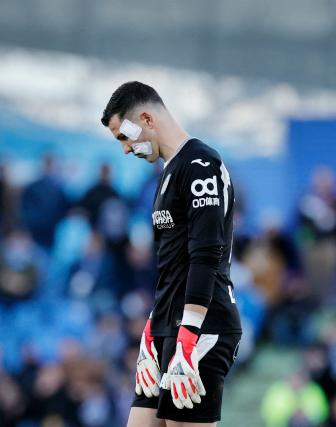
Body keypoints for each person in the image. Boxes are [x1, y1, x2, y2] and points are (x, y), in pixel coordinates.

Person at [100, 81, 242, 427]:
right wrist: (150, 335)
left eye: (124, 136)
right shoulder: (166, 175)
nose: (124, 149)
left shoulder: (201, 164)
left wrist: (188, 340)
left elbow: (206, 257)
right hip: (167, 327)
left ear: (146, 118)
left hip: (201, 328)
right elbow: (170, 268)